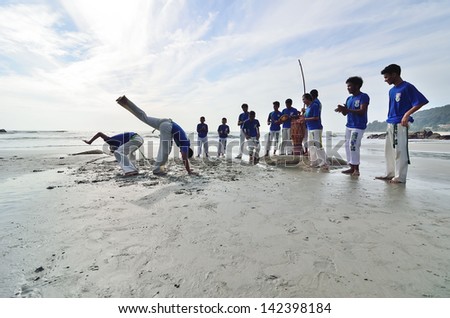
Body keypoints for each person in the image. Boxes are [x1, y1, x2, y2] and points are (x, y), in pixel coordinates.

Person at [115, 95, 196, 176]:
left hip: (165, 122)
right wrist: (189, 171)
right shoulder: (185, 144)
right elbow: (184, 157)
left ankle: (125, 102)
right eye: (182, 152)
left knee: (144, 117)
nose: (181, 152)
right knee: (165, 150)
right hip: (168, 127)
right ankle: (158, 170)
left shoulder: (184, 141)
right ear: (187, 150)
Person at [375, 64, 428, 183]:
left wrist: (406, 115)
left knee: (400, 150)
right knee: (388, 150)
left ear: (394, 74)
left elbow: (420, 102)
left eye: (387, 77)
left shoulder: (407, 87)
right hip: (390, 122)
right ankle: (390, 173)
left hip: (401, 123)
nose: (385, 80)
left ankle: (400, 177)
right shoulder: (391, 90)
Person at [335, 76, 370, 176]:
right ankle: (351, 166)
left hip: (358, 125)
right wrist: (342, 110)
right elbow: (345, 113)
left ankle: (356, 169)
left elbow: (362, 111)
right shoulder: (349, 99)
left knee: (354, 145)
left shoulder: (363, 96)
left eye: (350, 86)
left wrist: (347, 110)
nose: (348, 88)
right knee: (347, 146)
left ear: (357, 86)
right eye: (347, 86)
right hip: (349, 125)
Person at [303, 93, 328, 169]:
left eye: (304, 99)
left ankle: (324, 162)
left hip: (316, 128)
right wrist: (303, 113)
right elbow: (305, 117)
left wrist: (305, 119)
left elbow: (316, 117)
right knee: (311, 146)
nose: (303, 101)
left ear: (308, 99)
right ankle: (313, 161)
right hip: (310, 128)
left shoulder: (314, 105)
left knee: (317, 145)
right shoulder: (308, 108)